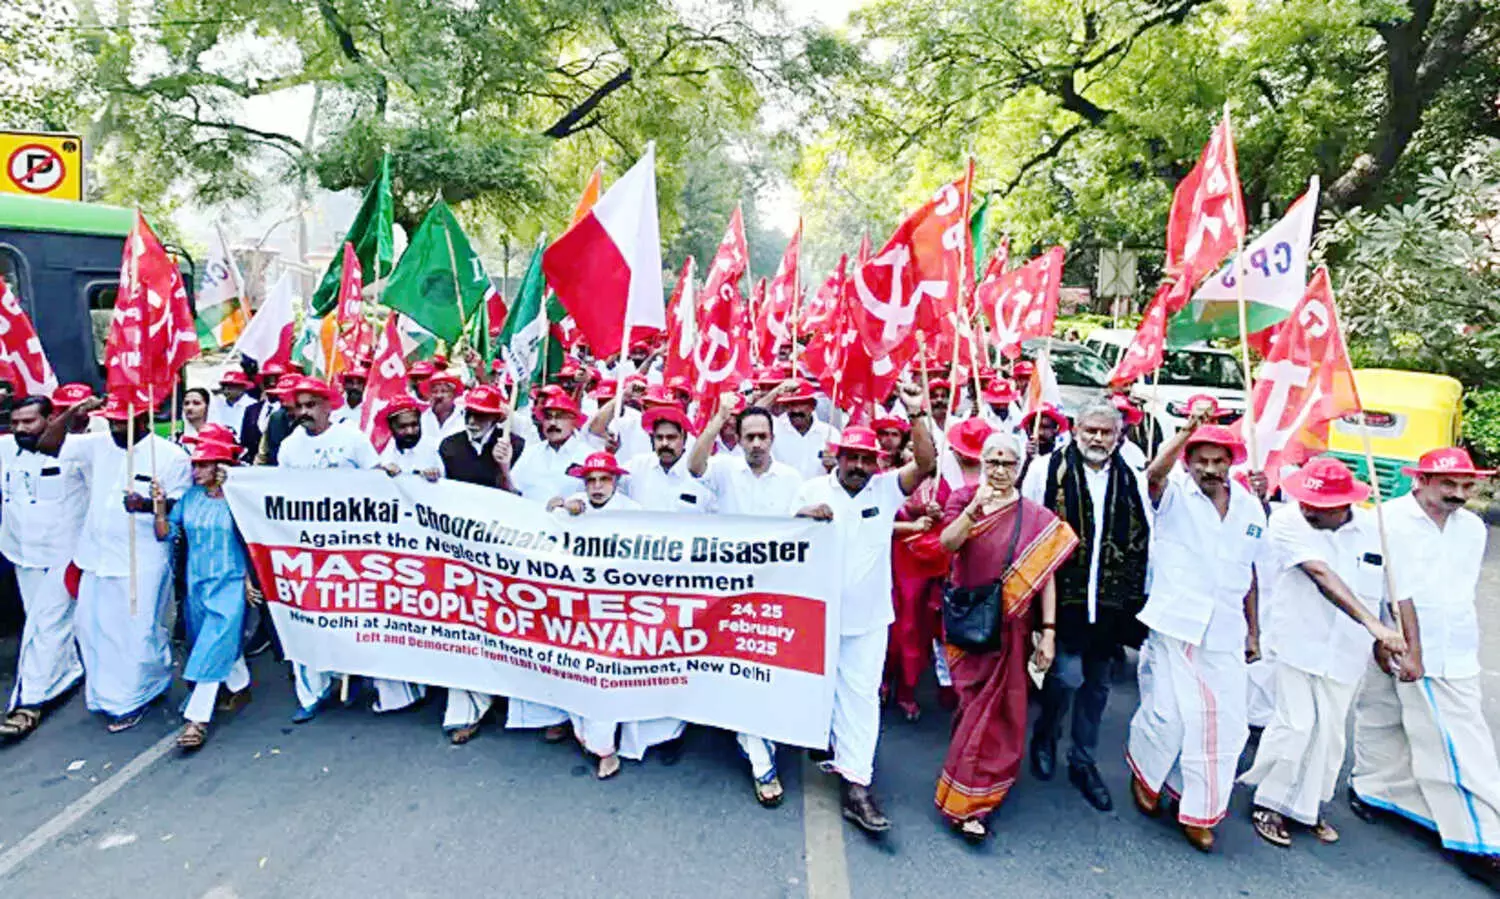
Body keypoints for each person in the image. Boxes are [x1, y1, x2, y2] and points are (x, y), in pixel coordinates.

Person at [1349, 448, 1500, 887]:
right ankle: (1483, 841)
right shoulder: (1387, 520)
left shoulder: (1473, 527)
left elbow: (1460, 589)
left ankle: (1381, 793)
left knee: (1422, 725)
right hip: (1406, 641)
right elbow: (1381, 585)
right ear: (1421, 480)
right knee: (1451, 741)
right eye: (1448, 484)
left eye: (1466, 485)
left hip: (1455, 644)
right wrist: (1389, 640)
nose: (1458, 493)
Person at [1238, 457, 1405, 847]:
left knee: (1329, 735)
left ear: (1344, 505)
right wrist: (1374, 625)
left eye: (1320, 507)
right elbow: (1320, 574)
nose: (1309, 511)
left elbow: (1390, 590)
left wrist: (1386, 635)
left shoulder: (1374, 530)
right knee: (1295, 725)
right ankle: (1269, 802)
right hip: (1298, 641)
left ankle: (1307, 807)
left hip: (1347, 650)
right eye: (1305, 502)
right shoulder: (1287, 522)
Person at [793, 380, 935, 834]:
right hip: (815, 616)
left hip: (869, 620)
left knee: (861, 697)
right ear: (836, 457)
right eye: (851, 457)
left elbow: (926, 464)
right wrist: (801, 518)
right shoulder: (809, 489)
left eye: (866, 459)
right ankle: (824, 743)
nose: (858, 466)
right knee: (817, 690)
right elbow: (780, 542)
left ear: (877, 462)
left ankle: (857, 785)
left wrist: (917, 414)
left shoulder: (886, 490)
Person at [1126, 411, 1265, 852]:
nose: (1209, 468)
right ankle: (1147, 775)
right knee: (1171, 717)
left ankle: (1199, 810)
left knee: (1226, 727)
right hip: (1175, 625)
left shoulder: (1250, 505)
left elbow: (1250, 572)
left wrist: (1254, 632)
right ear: (1187, 462)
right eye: (1200, 460)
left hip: (1225, 632)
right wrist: (1186, 430)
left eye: (1218, 460)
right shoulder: (1172, 494)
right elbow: (1152, 474)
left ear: (1230, 462)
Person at [934, 432, 1078, 841]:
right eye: (992, 462)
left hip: (1012, 628)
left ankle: (976, 805)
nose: (999, 470)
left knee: (1001, 715)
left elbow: (1046, 577)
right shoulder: (963, 499)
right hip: (968, 622)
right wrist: (974, 509)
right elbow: (947, 544)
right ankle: (964, 774)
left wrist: (1048, 633)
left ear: (1019, 467)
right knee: (970, 707)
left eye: (1008, 463)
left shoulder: (1035, 516)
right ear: (982, 463)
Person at [1021, 402, 1152, 812]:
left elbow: (1147, 534)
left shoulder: (1132, 477)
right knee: (1065, 676)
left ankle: (1083, 760)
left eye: (1105, 432)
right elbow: (1028, 527)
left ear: (1118, 436)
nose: (1097, 438)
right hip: (1061, 599)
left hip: (1110, 604)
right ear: (1076, 429)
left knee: (1098, 686)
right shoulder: (1046, 469)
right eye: (1091, 430)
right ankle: (1045, 735)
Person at [40, 390, 192, 732]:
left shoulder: (170, 456)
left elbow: (181, 509)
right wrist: (74, 412)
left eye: (124, 422)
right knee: (91, 628)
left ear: (143, 419)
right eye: (112, 421)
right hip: (96, 555)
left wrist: (148, 505)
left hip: (142, 559)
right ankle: (106, 695)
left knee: (135, 632)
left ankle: (135, 697)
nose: (116, 428)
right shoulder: (96, 445)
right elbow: (47, 445)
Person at [690, 397, 807, 806]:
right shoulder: (724, 470)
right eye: (749, 437)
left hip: (776, 592)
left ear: (773, 439)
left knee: (766, 673)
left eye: (762, 437)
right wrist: (718, 419)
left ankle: (758, 740)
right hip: (730, 593)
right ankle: (762, 764)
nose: (756, 444)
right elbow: (694, 467)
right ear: (738, 439)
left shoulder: (792, 478)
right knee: (741, 672)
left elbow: (802, 527)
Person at [274, 376, 381, 722]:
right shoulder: (289, 447)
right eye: (299, 406)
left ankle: (353, 674)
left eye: (311, 405)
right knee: (306, 617)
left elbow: (377, 482)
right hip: (306, 548)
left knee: (350, 614)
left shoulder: (352, 439)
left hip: (351, 545)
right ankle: (311, 692)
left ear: (327, 406)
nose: (304, 412)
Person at [152, 436, 255, 750]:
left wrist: (250, 580)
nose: (195, 471)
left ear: (220, 466)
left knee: (212, 645)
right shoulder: (190, 498)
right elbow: (165, 533)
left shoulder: (239, 498)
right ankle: (240, 685)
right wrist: (159, 507)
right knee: (214, 642)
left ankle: (197, 720)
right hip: (197, 584)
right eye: (194, 464)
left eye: (203, 465)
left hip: (231, 583)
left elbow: (253, 541)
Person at [506, 392, 597, 739]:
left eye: (561, 415)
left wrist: (577, 504)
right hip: (535, 556)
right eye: (549, 416)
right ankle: (549, 713)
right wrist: (503, 468)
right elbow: (514, 494)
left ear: (575, 419)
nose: (554, 422)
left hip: (577, 560)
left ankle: (580, 715)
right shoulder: (530, 454)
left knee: (576, 636)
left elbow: (606, 498)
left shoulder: (587, 454)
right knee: (542, 632)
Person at [434, 383, 521, 743]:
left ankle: (511, 696)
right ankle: (467, 709)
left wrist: (505, 467)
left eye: (482, 415)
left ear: (496, 419)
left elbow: (521, 501)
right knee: (467, 626)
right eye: (470, 413)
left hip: (505, 552)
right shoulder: (448, 446)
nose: (474, 420)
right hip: (461, 551)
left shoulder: (516, 446)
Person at [547, 450, 642, 778]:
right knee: (577, 672)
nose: (597, 487)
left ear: (615, 481)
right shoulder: (573, 506)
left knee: (606, 677)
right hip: (577, 608)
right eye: (591, 480)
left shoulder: (633, 513)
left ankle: (606, 749)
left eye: (604, 480)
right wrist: (556, 509)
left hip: (616, 609)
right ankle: (583, 734)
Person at [0, 397, 87, 740]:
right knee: (43, 623)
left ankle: (29, 702)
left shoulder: (77, 451)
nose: (20, 429)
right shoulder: (6, 449)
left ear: (50, 421)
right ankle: (68, 672)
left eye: (29, 422)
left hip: (64, 555)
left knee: (45, 625)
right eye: (16, 423)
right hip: (21, 553)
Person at [774, 380, 838, 479]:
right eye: (791, 404)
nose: (796, 410)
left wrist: (833, 467)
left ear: (813, 406)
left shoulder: (831, 434)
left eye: (801, 404)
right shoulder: (774, 430)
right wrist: (775, 392)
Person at [420, 371, 466, 442]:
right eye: (434, 392)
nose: (439, 396)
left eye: (444, 391)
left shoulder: (464, 417)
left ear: (453, 394)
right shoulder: (422, 419)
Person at [208, 371, 255, 438]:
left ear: (242, 387)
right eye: (224, 386)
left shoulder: (253, 405)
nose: (227, 390)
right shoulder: (217, 403)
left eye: (231, 386)